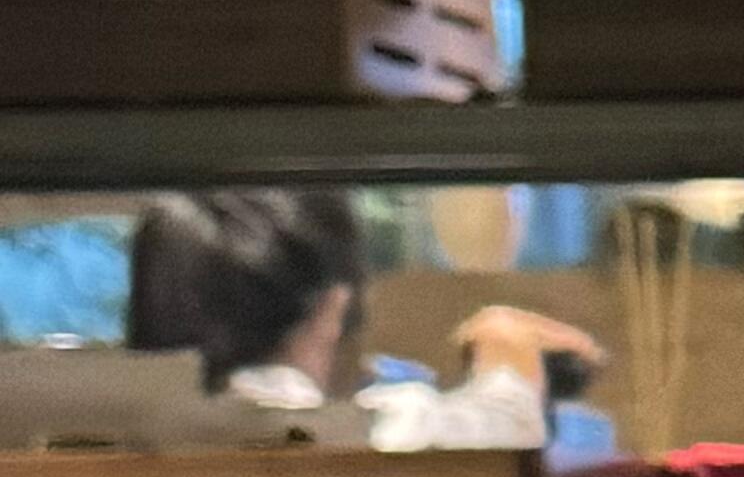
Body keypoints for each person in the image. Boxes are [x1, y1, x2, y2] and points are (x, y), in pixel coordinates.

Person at [124, 185, 599, 446]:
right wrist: (504, 341)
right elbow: (506, 424)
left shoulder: (119, 443)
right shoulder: (376, 437)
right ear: (332, 309)